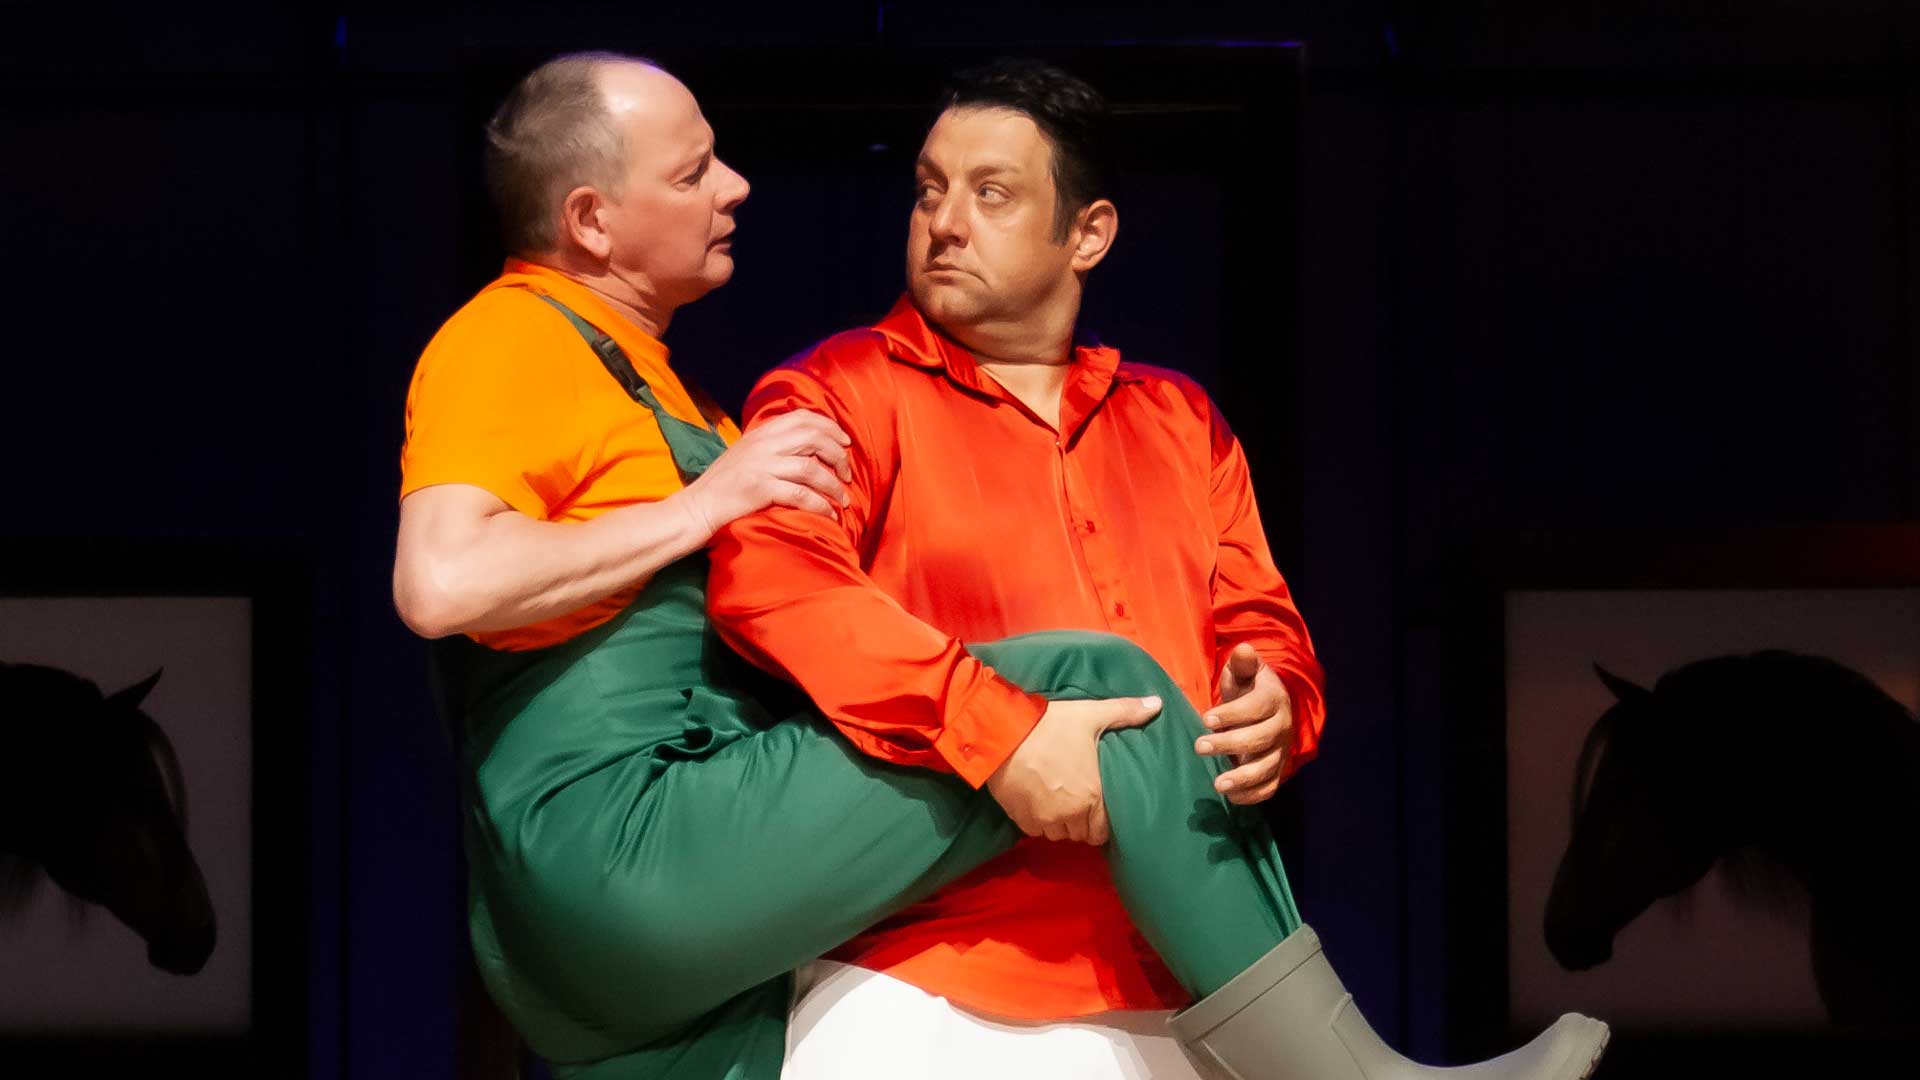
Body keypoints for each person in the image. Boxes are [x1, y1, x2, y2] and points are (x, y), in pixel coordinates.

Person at [393, 50, 1607, 1080]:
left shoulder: (1176, 421)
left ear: (1090, 234)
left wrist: (1278, 699)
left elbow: (1259, 620)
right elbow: (718, 585)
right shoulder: (797, 391)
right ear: (591, 219)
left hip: (1165, 969)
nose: (944, 221)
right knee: (1095, 674)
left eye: (989, 192)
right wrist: (999, 729)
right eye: (929, 190)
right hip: (910, 963)